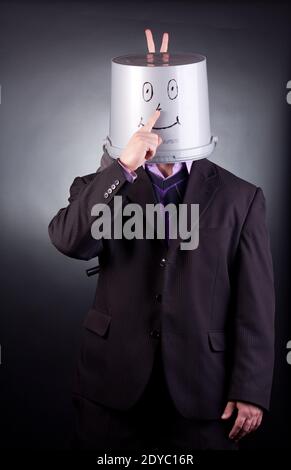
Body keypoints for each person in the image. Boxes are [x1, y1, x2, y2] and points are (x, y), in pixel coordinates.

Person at [48, 29, 275, 451]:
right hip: (111, 392)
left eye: (172, 98)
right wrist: (121, 167)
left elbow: (255, 303)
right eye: (148, 101)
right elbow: (70, 240)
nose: (160, 110)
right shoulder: (99, 186)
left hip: (204, 394)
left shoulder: (241, 198)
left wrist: (252, 387)